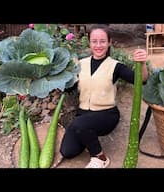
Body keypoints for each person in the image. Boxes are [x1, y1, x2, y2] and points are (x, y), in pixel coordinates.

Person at [59, 24, 148, 168]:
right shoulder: (80, 64)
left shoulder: (115, 66)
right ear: (90, 43)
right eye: (94, 41)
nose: (98, 45)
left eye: (102, 41)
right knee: (68, 151)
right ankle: (87, 135)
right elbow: (69, 88)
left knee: (79, 124)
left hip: (106, 115)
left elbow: (141, 80)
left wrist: (142, 64)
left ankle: (100, 157)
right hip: (84, 115)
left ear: (109, 42)